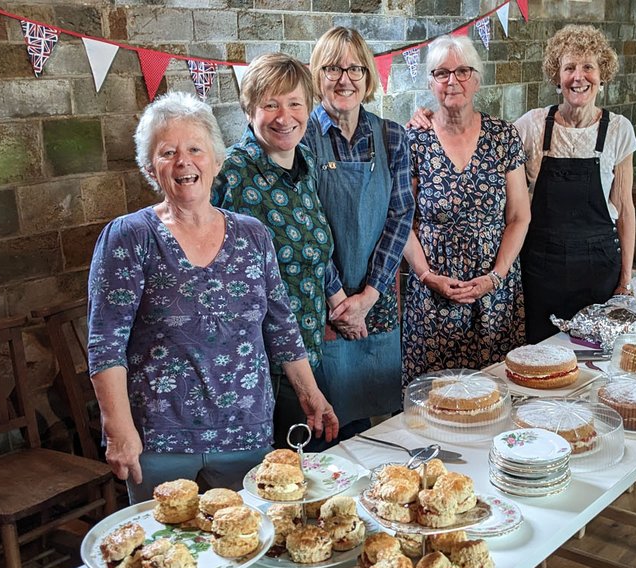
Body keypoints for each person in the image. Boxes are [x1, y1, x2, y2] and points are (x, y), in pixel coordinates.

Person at [87, 91, 338, 503]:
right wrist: (118, 428)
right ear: (150, 168)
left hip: (247, 433)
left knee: (246, 533)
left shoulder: (253, 235)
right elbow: (105, 343)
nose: (183, 162)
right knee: (166, 540)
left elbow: (280, 325)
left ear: (217, 161)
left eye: (195, 149)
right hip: (160, 438)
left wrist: (310, 394)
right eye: (168, 152)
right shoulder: (129, 237)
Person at [212, 53, 347, 448]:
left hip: (309, 351)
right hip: (257, 364)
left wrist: (337, 302)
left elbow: (314, 249)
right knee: (284, 472)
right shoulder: (229, 173)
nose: (284, 117)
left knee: (313, 464)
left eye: (294, 104)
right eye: (270, 104)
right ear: (249, 109)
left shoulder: (305, 163)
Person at [304, 27, 414, 438]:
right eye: (332, 69)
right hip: (321, 301)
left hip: (375, 297)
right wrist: (339, 300)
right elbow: (305, 228)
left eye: (355, 69)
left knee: (377, 427)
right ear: (317, 76)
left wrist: (369, 295)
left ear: (368, 77)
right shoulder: (301, 137)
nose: (344, 79)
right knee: (326, 426)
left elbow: (400, 216)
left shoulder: (392, 136)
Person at [401, 35, 529, 382]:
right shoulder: (413, 140)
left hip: (494, 293)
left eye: (462, 71)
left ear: (477, 79)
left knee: (495, 393)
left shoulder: (503, 136)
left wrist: (496, 276)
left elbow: (519, 216)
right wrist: (427, 276)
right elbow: (401, 221)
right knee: (432, 397)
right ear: (430, 83)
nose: (452, 81)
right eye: (441, 73)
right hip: (432, 296)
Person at [515, 25, 636, 342]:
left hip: (598, 271)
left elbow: (624, 209)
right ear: (557, 77)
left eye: (588, 67)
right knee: (539, 354)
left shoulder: (619, 130)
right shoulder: (531, 126)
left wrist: (625, 280)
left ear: (602, 75)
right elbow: (486, 144)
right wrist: (432, 118)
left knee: (593, 357)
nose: (578, 77)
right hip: (540, 269)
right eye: (569, 67)